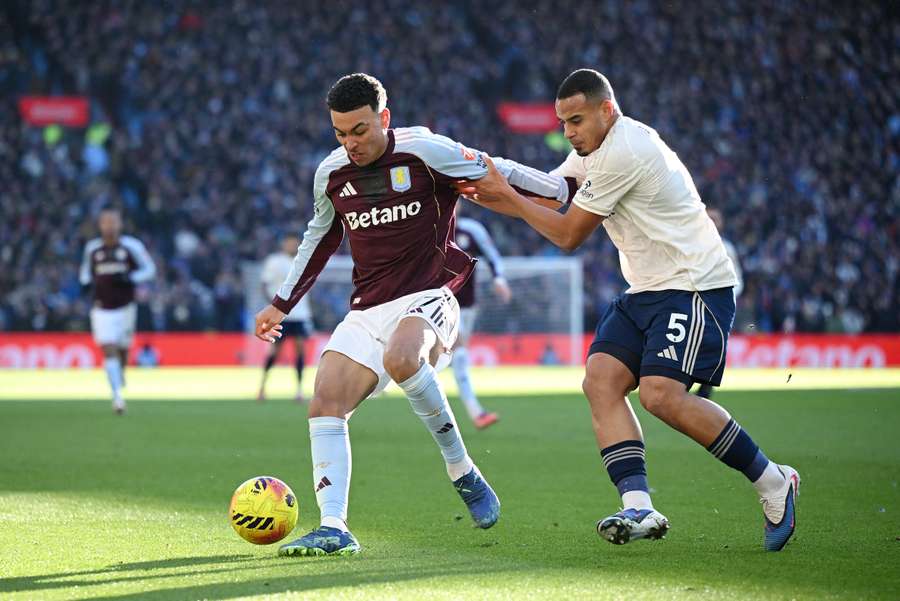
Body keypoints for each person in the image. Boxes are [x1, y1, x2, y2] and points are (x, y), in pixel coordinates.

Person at [456, 69, 799, 552]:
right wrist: (489, 176)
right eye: (562, 122)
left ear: (607, 110)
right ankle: (639, 507)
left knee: (660, 395)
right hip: (646, 289)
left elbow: (568, 233)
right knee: (600, 381)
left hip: (693, 285)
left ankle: (773, 481)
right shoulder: (592, 151)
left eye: (576, 121)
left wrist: (504, 192)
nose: (568, 132)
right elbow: (552, 190)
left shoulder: (626, 150)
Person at [254, 73, 570, 556]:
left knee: (404, 358)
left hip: (431, 295)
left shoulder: (424, 150)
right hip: (368, 307)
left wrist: (559, 189)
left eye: (360, 130)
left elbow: (493, 166)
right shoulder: (331, 173)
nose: (350, 143)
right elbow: (319, 238)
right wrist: (281, 303)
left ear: (384, 118)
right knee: (325, 400)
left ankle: (462, 469)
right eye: (340, 133)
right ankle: (335, 527)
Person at [79, 206, 156, 414]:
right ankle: (117, 397)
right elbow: (85, 272)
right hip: (102, 308)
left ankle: (119, 376)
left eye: (113, 221)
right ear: (100, 225)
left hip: (125, 308)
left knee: (122, 351)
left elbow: (150, 269)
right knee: (108, 348)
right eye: (106, 222)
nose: (110, 226)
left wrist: (131, 277)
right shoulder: (93, 249)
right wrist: (85, 283)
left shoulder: (131, 246)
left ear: (120, 224)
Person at [451, 206, 511, 429]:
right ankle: (476, 412)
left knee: (443, 359)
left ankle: (381, 378)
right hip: (439, 304)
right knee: (459, 355)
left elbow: (492, 256)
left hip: (467, 307)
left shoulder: (471, 230)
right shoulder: (429, 229)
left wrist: (499, 279)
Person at [257, 233, 315, 403]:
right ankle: (262, 388)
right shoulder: (274, 261)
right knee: (275, 351)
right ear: (283, 244)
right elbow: (264, 284)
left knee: (300, 349)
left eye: (294, 243)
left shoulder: (304, 259)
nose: (292, 245)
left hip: (300, 314)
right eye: (289, 242)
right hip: (281, 315)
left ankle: (299, 390)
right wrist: (273, 306)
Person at [697, 207, 744, 400]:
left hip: (720, 304)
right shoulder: (693, 244)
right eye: (709, 218)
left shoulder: (727, 248)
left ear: (721, 223)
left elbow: (737, 278)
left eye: (715, 219)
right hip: (697, 300)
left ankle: (706, 386)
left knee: (715, 342)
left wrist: (728, 298)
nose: (712, 222)